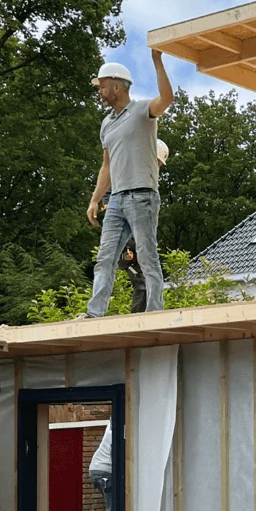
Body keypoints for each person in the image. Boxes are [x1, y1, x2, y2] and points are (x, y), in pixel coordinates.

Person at [80, 51, 174, 318]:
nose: (100, 91)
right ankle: (95, 312)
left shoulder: (143, 111)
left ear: (117, 86)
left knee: (146, 255)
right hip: (117, 199)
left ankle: (155, 311)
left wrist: (157, 61)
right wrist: (95, 199)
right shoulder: (106, 125)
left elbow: (167, 99)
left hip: (143, 196)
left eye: (102, 86)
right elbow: (106, 167)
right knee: (105, 258)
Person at [100, 139, 170, 313]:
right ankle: (136, 317)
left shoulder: (147, 183)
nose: (157, 167)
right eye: (157, 163)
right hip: (127, 250)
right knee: (141, 282)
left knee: (146, 277)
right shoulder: (121, 182)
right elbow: (120, 220)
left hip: (136, 247)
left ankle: (149, 311)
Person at [88, 420, 113, 511]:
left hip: (96, 470)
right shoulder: (121, 422)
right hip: (106, 471)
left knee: (112, 510)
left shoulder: (113, 422)